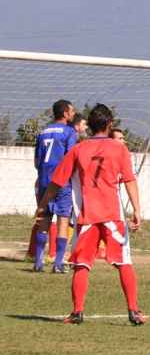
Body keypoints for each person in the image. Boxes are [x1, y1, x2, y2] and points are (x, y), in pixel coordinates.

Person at [35, 104, 146, 325]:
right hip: (113, 215)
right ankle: (134, 311)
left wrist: (42, 206)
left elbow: (57, 182)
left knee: (82, 264)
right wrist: (137, 210)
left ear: (89, 127)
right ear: (110, 124)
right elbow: (129, 180)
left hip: (86, 217)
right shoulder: (119, 149)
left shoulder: (78, 149)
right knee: (124, 262)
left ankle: (77, 312)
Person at [28, 100, 78, 272]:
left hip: (43, 180)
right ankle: (58, 263)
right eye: (72, 111)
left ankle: (39, 261)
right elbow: (70, 158)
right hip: (61, 182)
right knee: (63, 219)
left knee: (44, 218)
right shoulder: (69, 132)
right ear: (65, 113)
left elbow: (37, 161)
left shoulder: (43, 132)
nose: (73, 114)